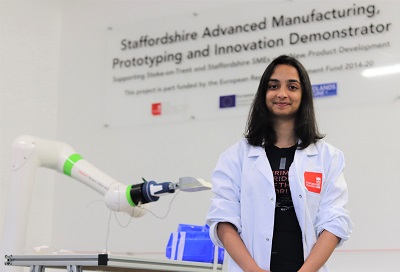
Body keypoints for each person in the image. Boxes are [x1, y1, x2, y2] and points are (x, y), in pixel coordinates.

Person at [206, 55, 353, 272]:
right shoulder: (235, 157)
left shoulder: (328, 158)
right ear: (263, 94)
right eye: (273, 86)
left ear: (303, 95)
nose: (282, 94)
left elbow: (334, 222)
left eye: (292, 87)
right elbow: (223, 219)